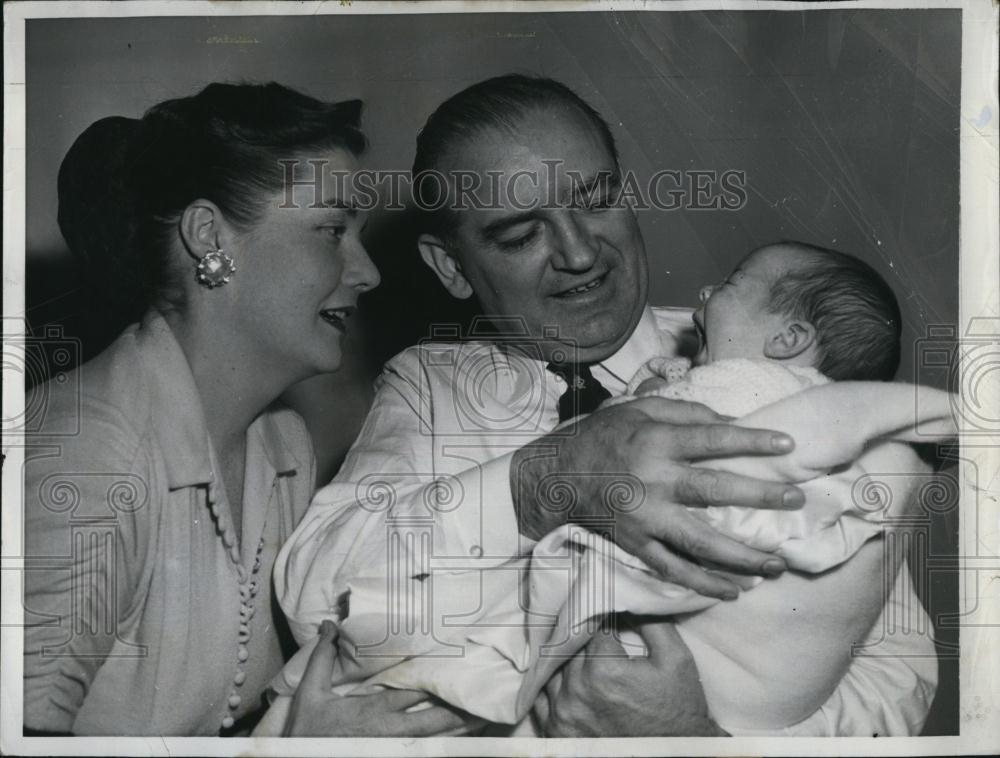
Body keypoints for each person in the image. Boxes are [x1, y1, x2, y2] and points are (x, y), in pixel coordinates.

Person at [271, 74, 938, 736]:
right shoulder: (432, 385)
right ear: (451, 267)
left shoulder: (775, 369)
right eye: (520, 236)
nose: (580, 252)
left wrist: (700, 739)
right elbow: (318, 599)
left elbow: (896, 678)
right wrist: (548, 482)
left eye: (596, 201)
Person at [23, 82, 468, 738]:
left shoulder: (284, 449)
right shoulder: (85, 453)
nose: (367, 271)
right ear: (209, 238)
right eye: (330, 230)